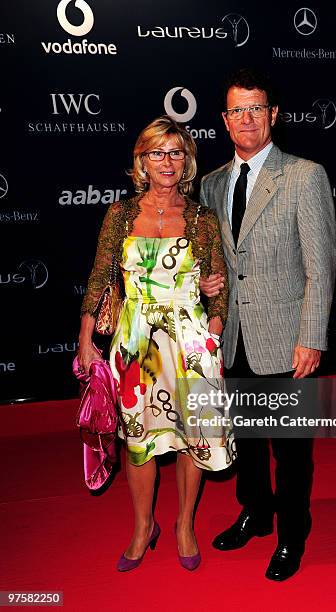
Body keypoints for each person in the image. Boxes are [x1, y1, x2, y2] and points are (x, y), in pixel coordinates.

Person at [78, 115, 233, 572]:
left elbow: (217, 286)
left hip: (189, 340)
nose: (167, 161)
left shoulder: (202, 218)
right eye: (157, 153)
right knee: (138, 440)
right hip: (136, 342)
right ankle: (143, 527)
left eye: (176, 153)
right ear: (141, 161)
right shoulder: (121, 214)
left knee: (192, 438)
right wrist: (86, 340)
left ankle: (185, 523)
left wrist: (213, 336)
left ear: (186, 161)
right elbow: (100, 277)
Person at [199, 68, 336, 581]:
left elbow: (320, 265)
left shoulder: (304, 175)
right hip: (232, 337)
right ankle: (256, 512)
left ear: (273, 115)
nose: (247, 119)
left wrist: (312, 337)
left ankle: (291, 535)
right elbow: (215, 259)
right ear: (224, 120)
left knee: (291, 452)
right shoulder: (212, 184)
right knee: (247, 442)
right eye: (237, 110)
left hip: (285, 339)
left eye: (257, 108)